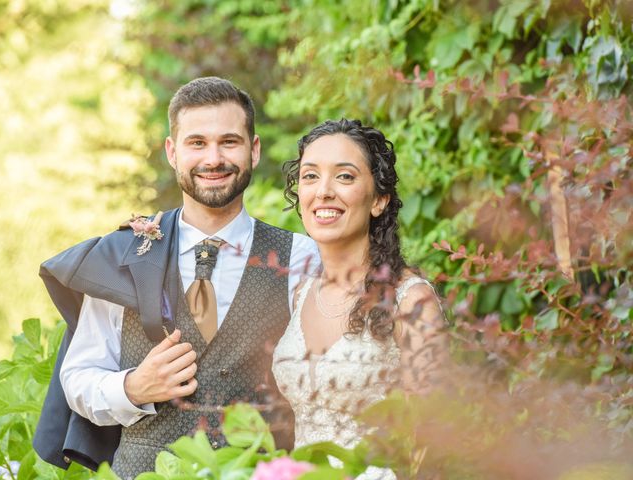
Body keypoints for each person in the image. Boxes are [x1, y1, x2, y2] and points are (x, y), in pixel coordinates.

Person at [33, 77, 319, 479]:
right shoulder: (123, 255)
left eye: (229, 142)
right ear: (173, 152)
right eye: (197, 143)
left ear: (254, 150)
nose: (213, 159)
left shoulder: (303, 258)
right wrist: (133, 388)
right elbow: (78, 378)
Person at [272, 119, 444, 479]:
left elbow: (432, 445)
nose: (323, 192)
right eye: (310, 176)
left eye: (345, 177)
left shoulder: (411, 301)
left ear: (379, 200)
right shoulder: (301, 294)